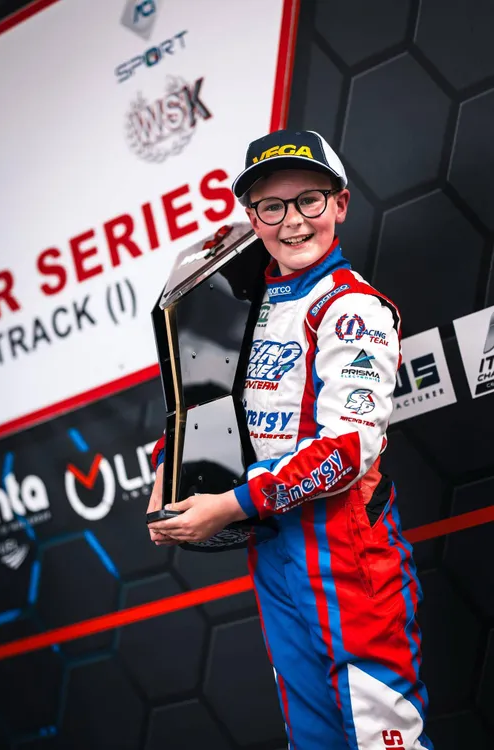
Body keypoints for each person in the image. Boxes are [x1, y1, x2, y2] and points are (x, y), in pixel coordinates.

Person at [146, 129, 433, 750]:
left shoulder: (353, 309)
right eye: (272, 207)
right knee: (313, 738)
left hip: (346, 551)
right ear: (252, 218)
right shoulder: (241, 305)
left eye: (309, 200)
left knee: (382, 736)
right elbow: (208, 401)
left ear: (340, 204)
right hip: (275, 548)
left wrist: (232, 505)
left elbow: (348, 451)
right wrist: (169, 472)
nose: (293, 221)